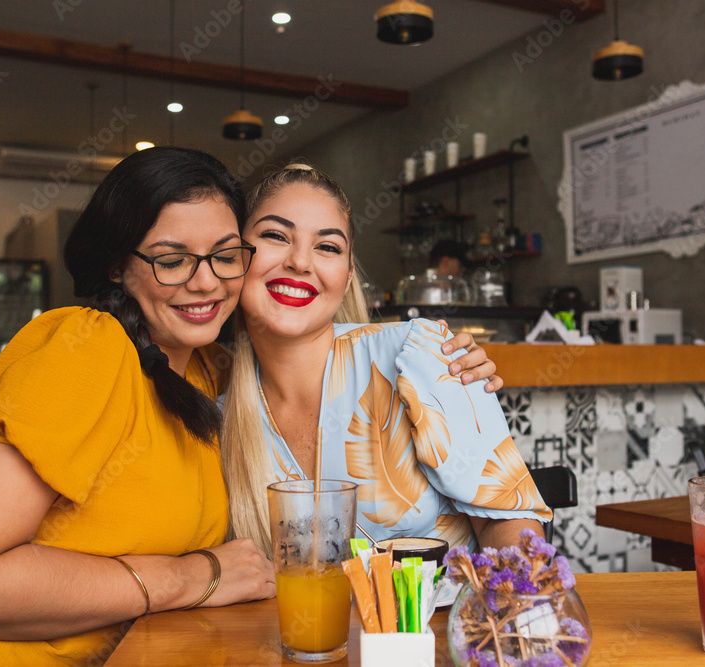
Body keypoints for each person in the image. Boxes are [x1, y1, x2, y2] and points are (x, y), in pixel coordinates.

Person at [0, 149, 497, 666]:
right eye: (170, 260)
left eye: (224, 255)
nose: (205, 281)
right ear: (117, 264)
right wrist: (193, 576)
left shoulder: (218, 380)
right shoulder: (86, 345)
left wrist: (442, 364)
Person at [221, 164, 550, 558]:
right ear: (235, 257)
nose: (300, 262)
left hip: (447, 617)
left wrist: (504, 609)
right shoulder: (220, 416)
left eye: (327, 246)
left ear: (345, 279)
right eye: (276, 236)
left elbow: (509, 526)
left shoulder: (415, 358)